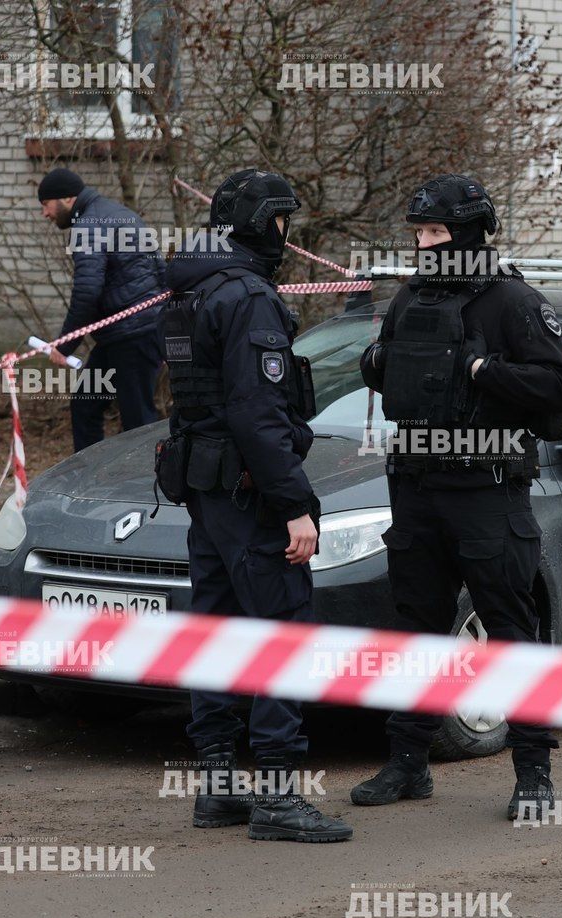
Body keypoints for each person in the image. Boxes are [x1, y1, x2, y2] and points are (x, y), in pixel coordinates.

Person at [353, 174, 562, 820]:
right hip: (419, 489)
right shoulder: (410, 299)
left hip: (487, 492)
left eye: (435, 233)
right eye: (419, 233)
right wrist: (377, 362)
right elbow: (383, 362)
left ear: (471, 233)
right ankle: (407, 762)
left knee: (509, 631)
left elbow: (558, 387)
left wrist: (485, 371)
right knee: (419, 630)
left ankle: (534, 771)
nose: (424, 245)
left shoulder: (512, 303)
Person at [156, 168, 351, 843]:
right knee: (281, 628)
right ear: (267, 223)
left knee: (214, 628)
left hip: (206, 488)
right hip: (246, 488)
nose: (287, 234)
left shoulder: (192, 289)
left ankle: (216, 783)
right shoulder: (249, 298)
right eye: (283, 220)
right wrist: (296, 504)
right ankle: (276, 795)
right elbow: (259, 414)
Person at [37, 167, 165, 451]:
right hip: (128, 333)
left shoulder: (88, 227)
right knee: (86, 403)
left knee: (138, 420)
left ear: (67, 199)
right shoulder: (121, 214)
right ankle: (89, 479)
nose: (45, 214)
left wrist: (65, 345)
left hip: (133, 335)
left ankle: (148, 486)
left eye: (46, 205)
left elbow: (87, 292)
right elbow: (160, 268)